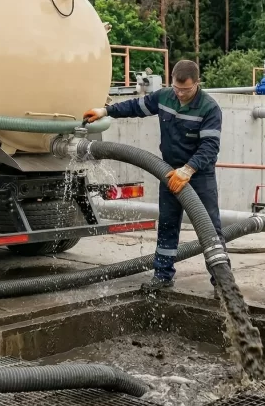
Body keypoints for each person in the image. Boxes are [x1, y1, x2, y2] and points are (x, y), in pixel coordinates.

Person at [83, 60, 224, 292]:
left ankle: (220, 280)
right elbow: (137, 106)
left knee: (209, 227)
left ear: (197, 84)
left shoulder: (209, 108)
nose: (179, 94)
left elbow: (209, 146)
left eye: (185, 90)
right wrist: (105, 110)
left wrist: (188, 169)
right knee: (167, 224)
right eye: (176, 88)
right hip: (168, 172)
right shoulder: (165, 97)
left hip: (198, 176)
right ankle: (163, 275)